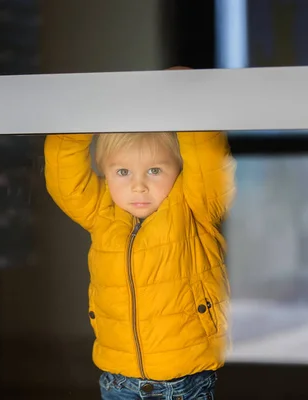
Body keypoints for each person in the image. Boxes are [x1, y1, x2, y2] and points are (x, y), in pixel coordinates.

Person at [44, 127, 235, 398]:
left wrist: (190, 101)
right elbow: (65, 178)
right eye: (123, 172)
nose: (138, 185)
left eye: (154, 170)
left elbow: (207, 157)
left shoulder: (194, 207)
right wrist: (82, 110)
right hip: (118, 382)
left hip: (181, 385)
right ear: (106, 175)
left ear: (180, 167)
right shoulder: (102, 212)